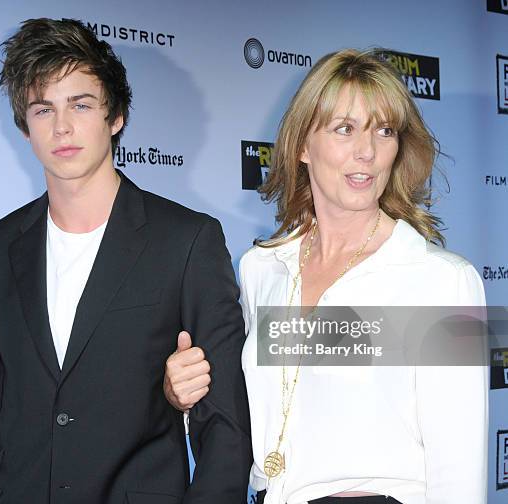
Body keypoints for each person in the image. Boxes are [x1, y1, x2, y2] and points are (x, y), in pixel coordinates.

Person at [0, 18, 252, 503]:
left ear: (116, 117)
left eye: (81, 104)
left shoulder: (187, 240)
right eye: (43, 109)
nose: (62, 127)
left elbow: (226, 426)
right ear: (25, 128)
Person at [164, 49, 487, 504]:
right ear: (301, 146)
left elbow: (459, 472)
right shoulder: (263, 269)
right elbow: (262, 414)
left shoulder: (442, 281)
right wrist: (186, 397)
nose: (367, 151)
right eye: (344, 129)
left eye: (384, 130)